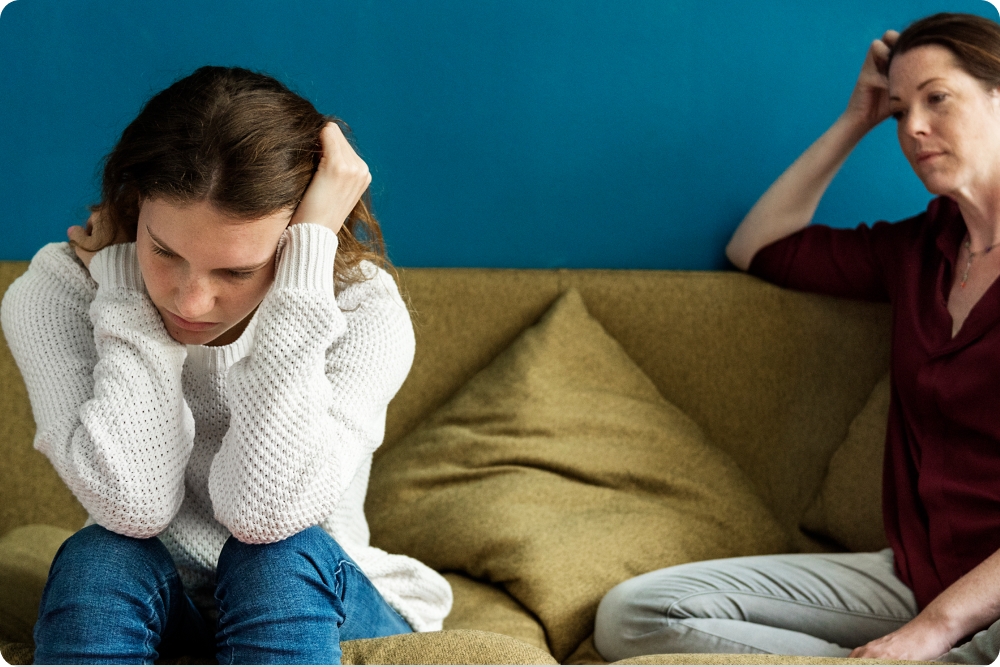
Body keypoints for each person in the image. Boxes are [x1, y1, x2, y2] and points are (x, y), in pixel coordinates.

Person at [0, 65, 452, 664]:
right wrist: (125, 297)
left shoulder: (360, 307)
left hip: (313, 594)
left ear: (300, 239)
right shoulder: (61, 290)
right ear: (134, 206)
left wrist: (303, 276)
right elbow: (131, 505)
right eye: (163, 251)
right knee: (100, 554)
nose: (190, 302)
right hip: (158, 601)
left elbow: (265, 515)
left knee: (273, 560)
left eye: (237, 271)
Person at [593, 12, 1000, 664]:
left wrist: (930, 631)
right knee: (632, 616)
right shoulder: (918, 252)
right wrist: (854, 121)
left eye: (937, 98)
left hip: (981, 601)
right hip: (915, 576)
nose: (913, 128)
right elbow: (757, 245)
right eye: (899, 112)